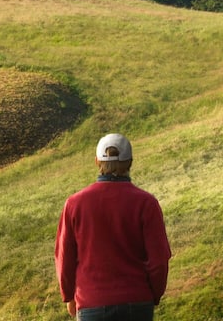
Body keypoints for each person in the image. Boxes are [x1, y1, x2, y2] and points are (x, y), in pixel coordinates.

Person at [56, 133, 172, 320]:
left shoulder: (74, 204)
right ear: (130, 162)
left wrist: (69, 296)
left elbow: (64, 257)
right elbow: (159, 260)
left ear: (97, 162)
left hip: (92, 303)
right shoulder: (146, 203)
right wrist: (153, 294)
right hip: (137, 302)